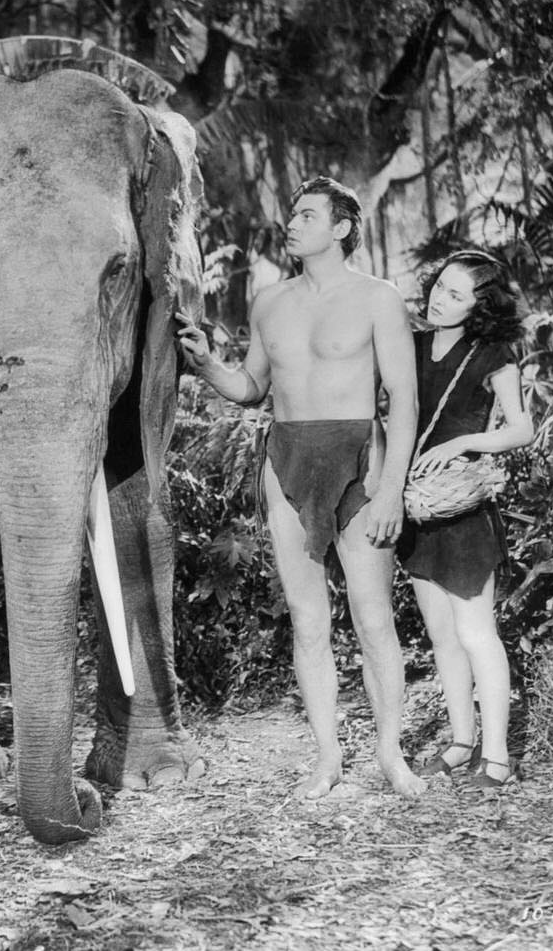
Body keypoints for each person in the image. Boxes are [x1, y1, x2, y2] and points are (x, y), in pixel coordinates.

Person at [176, 176, 426, 800]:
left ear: (341, 228)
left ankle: (391, 755)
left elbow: (405, 399)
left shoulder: (379, 298)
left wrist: (391, 488)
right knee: (307, 619)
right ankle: (326, 759)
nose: (293, 223)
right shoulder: (269, 302)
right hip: (286, 458)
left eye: (308, 215)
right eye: (293, 214)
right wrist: (208, 363)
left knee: (372, 619)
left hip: (358, 460)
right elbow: (250, 388)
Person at [401, 251, 534, 788]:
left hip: (462, 511)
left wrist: (463, 441)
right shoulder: (408, 346)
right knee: (441, 636)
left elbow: (521, 430)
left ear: (481, 306)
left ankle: (496, 758)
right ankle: (461, 742)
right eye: (439, 286)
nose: (440, 298)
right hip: (417, 507)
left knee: (477, 634)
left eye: (457, 295)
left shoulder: (493, 354)